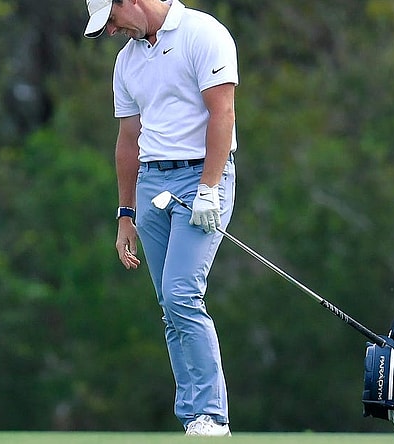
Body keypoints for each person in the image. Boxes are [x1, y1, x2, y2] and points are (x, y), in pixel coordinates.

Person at [83, 0, 238, 436]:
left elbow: (221, 113)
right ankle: (194, 417)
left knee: (182, 294)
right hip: (152, 184)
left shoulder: (202, 33)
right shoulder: (126, 62)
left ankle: (212, 414)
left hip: (202, 177)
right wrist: (124, 214)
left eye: (111, 20)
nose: (110, 31)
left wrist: (208, 188)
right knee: (170, 308)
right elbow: (128, 140)